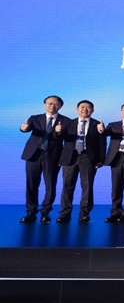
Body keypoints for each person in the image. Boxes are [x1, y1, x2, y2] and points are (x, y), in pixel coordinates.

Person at [19, 95, 69, 223]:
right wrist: (23, 128)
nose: (52, 106)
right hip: (33, 155)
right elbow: (27, 127)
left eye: (56, 104)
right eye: (50, 103)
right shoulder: (35, 118)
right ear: (45, 104)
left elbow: (67, 139)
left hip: (53, 156)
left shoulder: (66, 121)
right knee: (31, 184)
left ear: (60, 106)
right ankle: (31, 212)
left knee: (50, 185)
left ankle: (45, 213)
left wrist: (58, 132)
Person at [57, 100, 107, 223]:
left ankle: (84, 213)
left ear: (92, 110)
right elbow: (60, 138)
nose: (85, 109)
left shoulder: (97, 124)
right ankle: (65, 214)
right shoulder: (69, 123)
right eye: (82, 107)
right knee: (67, 186)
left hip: (88, 158)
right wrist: (58, 131)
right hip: (70, 157)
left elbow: (102, 144)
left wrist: (101, 160)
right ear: (77, 109)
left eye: (88, 107)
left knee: (87, 186)